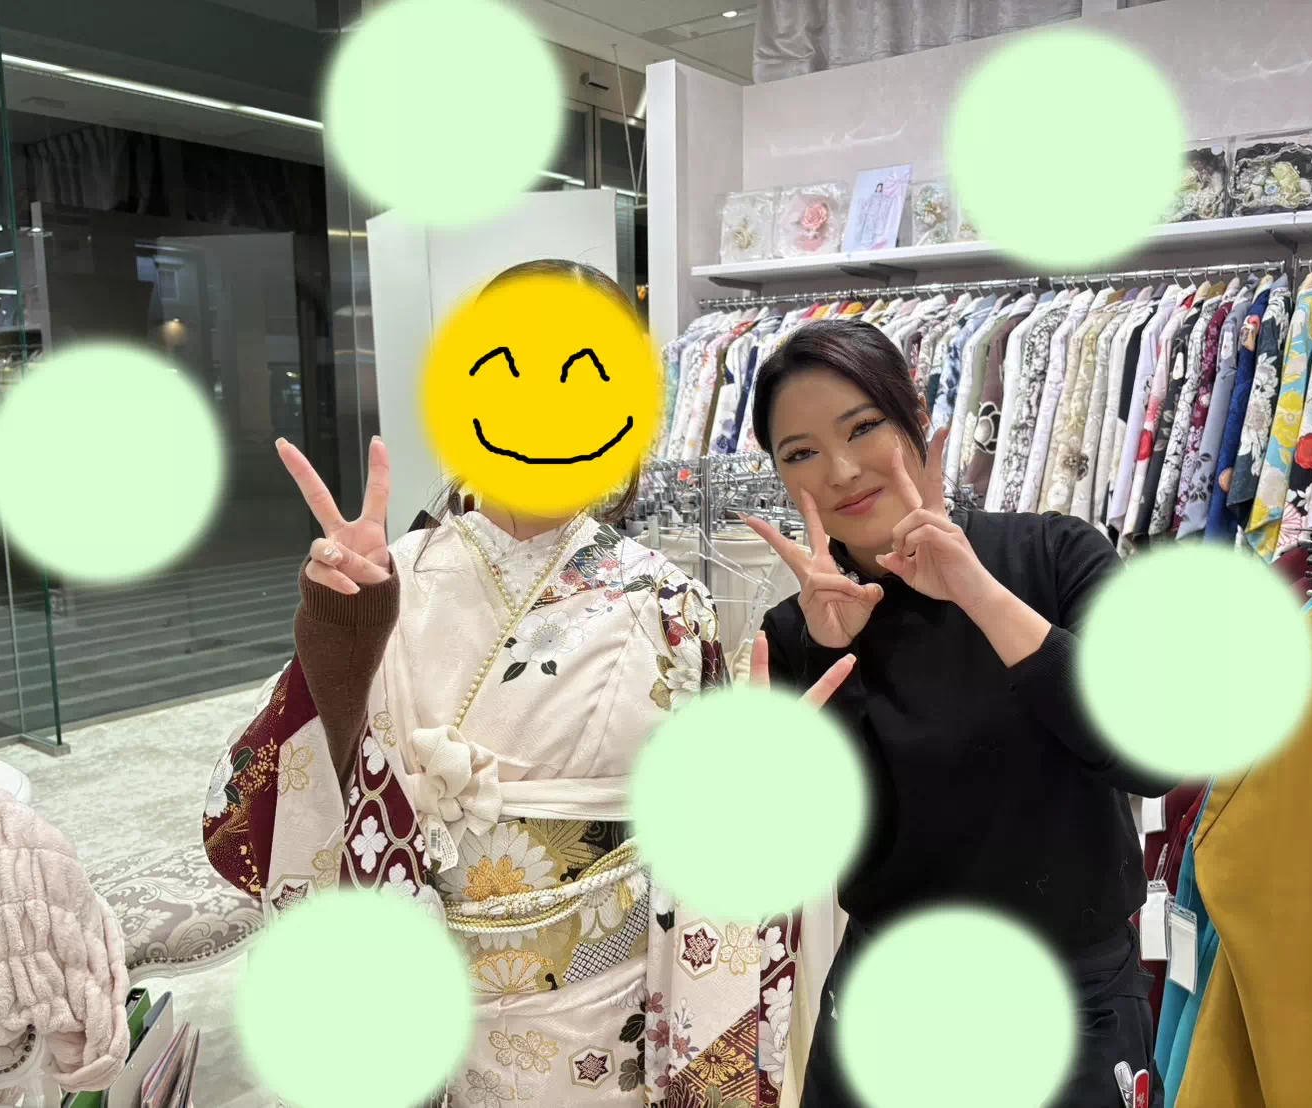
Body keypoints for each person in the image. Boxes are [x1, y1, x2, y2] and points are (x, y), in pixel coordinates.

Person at [201, 259, 848, 1108]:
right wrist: (337, 642)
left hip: (602, 1021)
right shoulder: (385, 577)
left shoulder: (668, 600)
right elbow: (263, 809)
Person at [741, 319, 1175, 1108]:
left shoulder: (1053, 556)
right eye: (800, 453)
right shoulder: (797, 630)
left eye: (862, 427)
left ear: (916, 416)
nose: (841, 471)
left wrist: (974, 591)